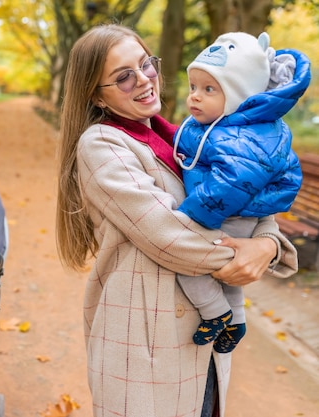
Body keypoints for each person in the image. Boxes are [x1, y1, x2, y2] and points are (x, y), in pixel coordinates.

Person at [55, 23, 299, 417]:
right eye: (123, 77)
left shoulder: (187, 136)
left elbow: (252, 202)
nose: (144, 80)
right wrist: (247, 254)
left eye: (145, 64)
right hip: (144, 345)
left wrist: (267, 245)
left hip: (200, 349)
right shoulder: (102, 146)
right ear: (96, 97)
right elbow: (171, 237)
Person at [172, 32, 311, 354]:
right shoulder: (221, 124)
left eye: (209, 89)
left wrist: (190, 217)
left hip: (231, 209)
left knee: (188, 263)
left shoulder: (245, 136)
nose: (195, 97)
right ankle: (235, 319)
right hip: (232, 206)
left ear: (239, 95)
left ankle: (215, 312)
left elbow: (234, 181)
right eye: (193, 87)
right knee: (230, 272)